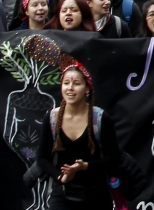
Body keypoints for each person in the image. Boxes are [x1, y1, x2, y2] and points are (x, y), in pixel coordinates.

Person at [31, 61, 118, 210]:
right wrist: (61, 176)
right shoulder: (52, 117)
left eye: (76, 83)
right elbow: (42, 157)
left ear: (87, 89)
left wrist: (85, 166)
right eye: (66, 83)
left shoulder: (100, 118)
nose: (70, 88)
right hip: (63, 195)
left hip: (96, 195)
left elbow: (114, 158)